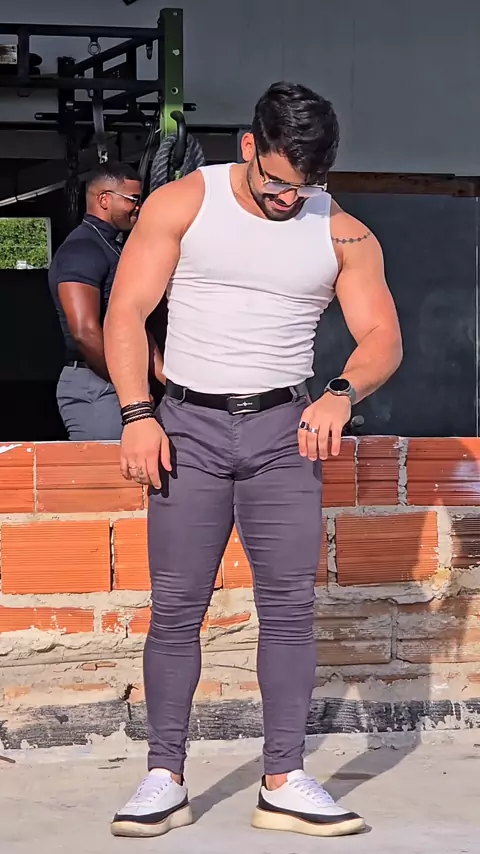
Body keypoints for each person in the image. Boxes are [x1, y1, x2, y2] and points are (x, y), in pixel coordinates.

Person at [104, 82, 402, 839]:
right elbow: (126, 310)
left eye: (305, 185)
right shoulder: (183, 202)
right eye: (276, 181)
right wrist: (137, 414)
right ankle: (164, 777)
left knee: (290, 611)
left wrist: (340, 394)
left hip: (283, 436)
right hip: (187, 429)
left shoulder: (342, 233)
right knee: (177, 609)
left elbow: (382, 338)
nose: (288, 198)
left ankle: (284, 780)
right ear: (248, 147)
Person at [49, 161, 164, 440]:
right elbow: (84, 332)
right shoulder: (82, 249)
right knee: (111, 467)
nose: (138, 207)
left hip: (122, 381)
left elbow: (133, 322)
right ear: (104, 199)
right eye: (133, 199)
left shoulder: (112, 247)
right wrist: (129, 387)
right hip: (96, 384)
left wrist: (167, 382)